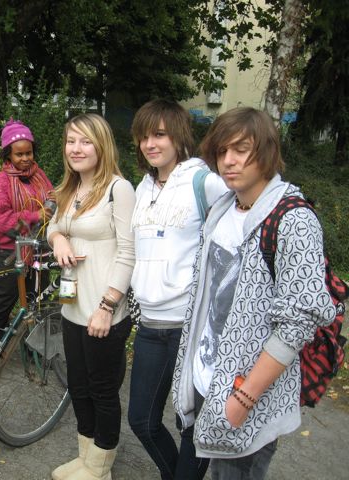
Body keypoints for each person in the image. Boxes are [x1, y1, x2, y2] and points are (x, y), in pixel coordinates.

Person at [172, 107, 336, 479]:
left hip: (246, 397)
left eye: (241, 150)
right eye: (221, 151)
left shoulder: (294, 219)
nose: (229, 161)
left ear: (266, 151)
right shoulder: (223, 207)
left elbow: (298, 323)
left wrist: (243, 401)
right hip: (204, 380)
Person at [127, 99, 228, 479]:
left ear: (178, 137)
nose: (150, 144)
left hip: (191, 324)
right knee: (142, 419)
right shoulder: (143, 187)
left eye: (159, 135)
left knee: (192, 425)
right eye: (143, 137)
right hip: (150, 325)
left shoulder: (205, 181)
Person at [47, 113, 135, 480]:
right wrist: (58, 238)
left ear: (101, 146)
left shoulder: (119, 189)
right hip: (72, 309)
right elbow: (54, 225)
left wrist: (107, 306)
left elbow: (129, 253)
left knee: (102, 391)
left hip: (104, 312)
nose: (76, 149)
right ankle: (86, 457)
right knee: (78, 387)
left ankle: (101, 467)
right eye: (71, 141)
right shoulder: (68, 190)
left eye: (85, 141)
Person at [0, 118, 54, 361]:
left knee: (34, 305)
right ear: (8, 155)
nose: (25, 159)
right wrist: (34, 216)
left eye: (28, 153)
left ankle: (34, 352)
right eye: (19, 154)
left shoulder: (39, 175)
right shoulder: (1, 182)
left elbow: (51, 196)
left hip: (38, 251)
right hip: (9, 253)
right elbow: (0, 219)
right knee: (0, 307)